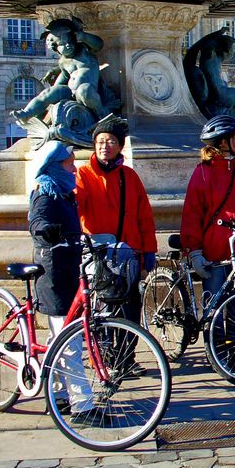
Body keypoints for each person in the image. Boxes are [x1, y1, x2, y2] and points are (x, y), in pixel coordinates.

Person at [27, 140, 99, 422]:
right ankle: (82, 405)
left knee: (60, 337)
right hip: (54, 273)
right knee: (70, 341)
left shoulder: (64, 192)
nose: (74, 169)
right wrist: (47, 230)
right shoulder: (45, 192)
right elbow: (37, 222)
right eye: (70, 164)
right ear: (56, 166)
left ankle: (56, 394)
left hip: (68, 268)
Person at [75, 117, 157, 332]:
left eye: (111, 141)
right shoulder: (83, 175)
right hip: (100, 255)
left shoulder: (129, 176)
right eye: (101, 141)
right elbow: (75, 206)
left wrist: (149, 250)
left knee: (130, 308)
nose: (105, 146)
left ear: (120, 146)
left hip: (129, 253)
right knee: (101, 309)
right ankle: (103, 357)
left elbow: (144, 217)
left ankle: (127, 359)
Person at [181, 114, 235, 315]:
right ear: (223, 142)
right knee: (214, 310)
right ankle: (215, 346)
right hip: (213, 254)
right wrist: (194, 252)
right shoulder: (202, 172)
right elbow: (191, 214)